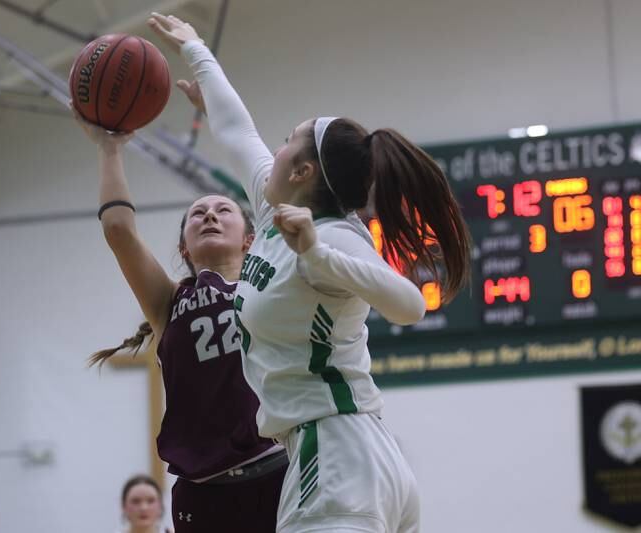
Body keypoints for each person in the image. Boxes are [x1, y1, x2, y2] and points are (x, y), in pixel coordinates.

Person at [149, 13, 472, 533]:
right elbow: (237, 129)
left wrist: (318, 254)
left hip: (337, 459)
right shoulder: (274, 212)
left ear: (302, 172)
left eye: (288, 140)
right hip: (345, 455)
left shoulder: (338, 235)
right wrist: (196, 49)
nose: (272, 148)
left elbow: (411, 304)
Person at [75, 110, 287, 532]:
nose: (209, 215)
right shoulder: (170, 301)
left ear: (249, 238)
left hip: (277, 470)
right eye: (198, 213)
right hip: (203, 491)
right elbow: (118, 230)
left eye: (223, 209)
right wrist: (109, 148)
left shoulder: (270, 284)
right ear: (184, 248)